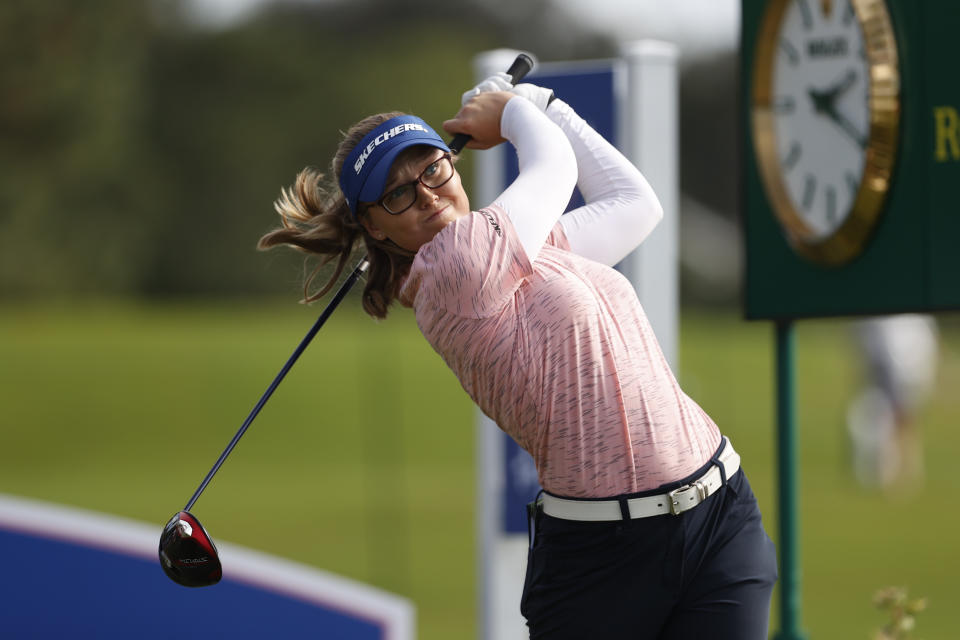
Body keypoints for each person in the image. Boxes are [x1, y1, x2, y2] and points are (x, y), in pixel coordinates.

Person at [259, 74, 777, 639]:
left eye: (432, 168)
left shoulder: (527, 250)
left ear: (452, 163)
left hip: (719, 513)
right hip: (605, 562)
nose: (428, 195)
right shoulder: (454, 270)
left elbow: (634, 204)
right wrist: (512, 113)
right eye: (397, 194)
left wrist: (543, 102)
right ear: (374, 227)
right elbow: (554, 167)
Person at [847, 314, 938, 490]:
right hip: (895, 368)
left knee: (903, 421)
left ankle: (904, 470)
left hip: (905, 370)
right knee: (892, 419)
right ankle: (891, 470)